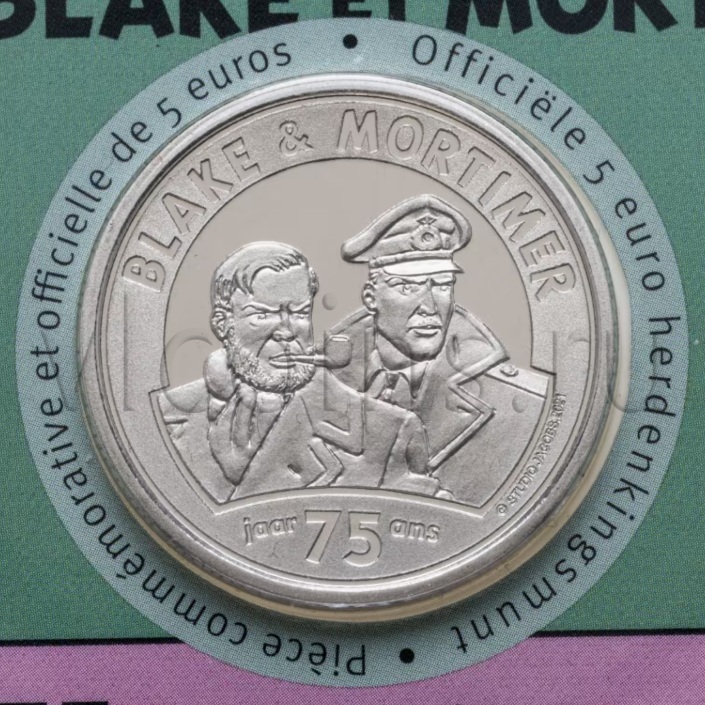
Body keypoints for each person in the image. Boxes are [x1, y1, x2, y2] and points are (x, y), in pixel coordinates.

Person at [158, 241, 440, 503]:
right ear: (222, 324)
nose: (286, 331)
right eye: (262, 315)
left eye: (299, 313)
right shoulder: (168, 418)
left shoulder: (392, 432)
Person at [330, 195, 549, 507]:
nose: (429, 307)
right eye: (408, 287)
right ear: (370, 298)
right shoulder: (308, 384)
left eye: (442, 285)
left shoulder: (524, 405)